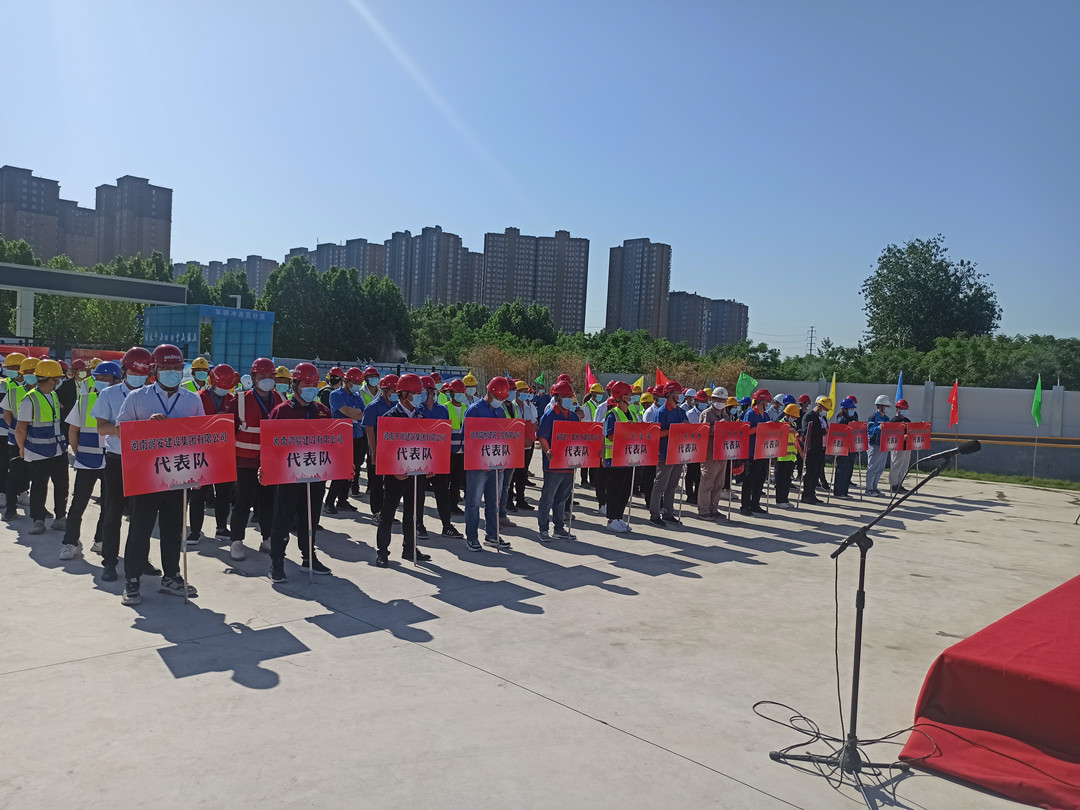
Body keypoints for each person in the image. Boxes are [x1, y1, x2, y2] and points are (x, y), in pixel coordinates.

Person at [115, 345, 203, 606]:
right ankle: (132, 580)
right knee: (140, 529)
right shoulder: (137, 398)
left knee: (173, 529)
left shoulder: (192, 400)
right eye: (166, 368)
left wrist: (200, 473)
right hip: (146, 476)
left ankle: (171, 576)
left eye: (177, 368)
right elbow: (120, 430)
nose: (172, 372)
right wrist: (145, 427)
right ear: (155, 369)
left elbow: (202, 435)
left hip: (178, 475)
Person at [91, 347, 155, 582]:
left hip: (145, 461)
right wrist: (125, 431)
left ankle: (140, 559)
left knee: (142, 515)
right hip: (117, 459)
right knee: (112, 514)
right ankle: (109, 561)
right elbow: (101, 427)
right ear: (124, 371)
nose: (138, 377)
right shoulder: (109, 394)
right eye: (134, 372)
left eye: (143, 373)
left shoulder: (154, 394)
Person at [266, 363, 333, 583]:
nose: (311, 388)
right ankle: (277, 561)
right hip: (288, 475)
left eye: (314, 384)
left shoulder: (323, 411)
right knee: (282, 519)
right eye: (306, 384)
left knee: (310, 518)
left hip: (316, 474)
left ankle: (308, 557)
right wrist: (266, 468)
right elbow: (270, 444)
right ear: (295, 385)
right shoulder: (281, 411)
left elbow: (332, 442)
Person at [373, 374, 434, 567]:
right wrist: (392, 470)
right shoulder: (390, 417)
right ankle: (382, 552)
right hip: (396, 476)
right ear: (404, 394)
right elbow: (384, 450)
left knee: (413, 513)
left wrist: (429, 465)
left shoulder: (421, 416)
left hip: (417, 474)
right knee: (387, 514)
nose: (419, 396)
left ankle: (410, 548)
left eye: (420, 393)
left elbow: (427, 445)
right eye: (415, 393)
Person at [60, 361, 120, 559]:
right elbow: (73, 431)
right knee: (78, 503)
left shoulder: (122, 401)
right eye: (98, 378)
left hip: (112, 461)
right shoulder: (85, 400)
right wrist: (78, 454)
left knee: (108, 505)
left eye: (106, 378)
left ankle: (101, 541)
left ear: (116, 380)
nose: (101, 381)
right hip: (87, 461)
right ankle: (70, 542)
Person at [16, 358, 69, 535]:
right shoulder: (29, 400)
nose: (59, 380)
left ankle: (60, 517)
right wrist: (22, 449)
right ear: (51, 379)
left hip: (58, 449)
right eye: (58, 377)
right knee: (39, 486)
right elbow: (21, 429)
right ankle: (38, 520)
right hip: (38, 451)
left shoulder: (53, 395)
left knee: (62, 484)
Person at [187, 363, 237, 551]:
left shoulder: (233, 400)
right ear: (212, 382)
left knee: (224, 494)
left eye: (227, 386)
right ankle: (195, 530)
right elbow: (190, 424)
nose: (224, 389)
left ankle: (222, 528)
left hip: (224, 454)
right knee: (198, 494)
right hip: (202, 454)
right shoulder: (197, 398)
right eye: (221, 385)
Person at [462, 376, 512, 552]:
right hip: (478, 467)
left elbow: (506, 437)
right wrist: (478, 460)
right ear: (490, 393)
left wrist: (505, 458)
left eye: (502, 399)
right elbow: (466, 439)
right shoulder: (474, 410)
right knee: (473, 502)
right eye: (498, 398)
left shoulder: (500, 412)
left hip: (496, 465)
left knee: (494, 503)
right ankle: (472, 537)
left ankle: (492, 535)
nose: (500, 401)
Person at [415, 374, 460, 539]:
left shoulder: (442, 410)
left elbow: (444, 436)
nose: (420, 394)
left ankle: (447, 525)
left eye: (423, 390)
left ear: (432, 391)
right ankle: (418, 524)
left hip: (438, 458)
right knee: (418, 494)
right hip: (420, 457)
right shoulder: (416, 410)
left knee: (442, 492)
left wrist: (437, 460)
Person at [536, 379, 578, 541]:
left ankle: (559, 528)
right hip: (553, 464)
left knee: (562, 499)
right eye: (566, 396)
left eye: (570, 396)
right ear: (558, 398)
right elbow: (542, 436)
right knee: (548, 498)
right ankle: (543, 529)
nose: (569, 399)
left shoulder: (573, 416)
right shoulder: (550, 416)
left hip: (569, 464)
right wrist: (548, 450)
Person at [325, 368, 366, 514]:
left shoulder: (356, 397)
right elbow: (348, 412)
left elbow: (362, 414)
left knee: (352, 470)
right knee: (341, 471)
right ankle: (329, 501)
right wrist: (354, 413)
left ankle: (342, 500)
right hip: (342, 438)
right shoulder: (336, 395)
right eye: (355, 382)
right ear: (347, 381)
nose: (357, 385)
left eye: (359, 383)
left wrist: (353, 413)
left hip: (357, 435)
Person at [361, 374, 399, 523]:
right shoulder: (374, 407)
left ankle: (387, 512)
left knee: (390, 484)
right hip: (378, 450)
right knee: (377, 483)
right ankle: (377, 511)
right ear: (385, 390)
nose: (396, 393)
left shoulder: (397, 406)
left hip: (393, 452)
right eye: (393, 390)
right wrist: (375, 452)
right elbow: (369, 430)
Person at [649, 381, 688, 526]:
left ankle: (668, 513)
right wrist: (674, 430)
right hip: (665, 454)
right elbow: (657, 433)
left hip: (678, 454)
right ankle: (654, 515)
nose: (680, 396)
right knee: (660, 486)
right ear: (671, 394)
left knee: (672, 486)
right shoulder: (661, 413)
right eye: (678, 393)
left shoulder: (681, 412)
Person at [602, 381, 635, 532]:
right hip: (615, 458)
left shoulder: (632, 413)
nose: (630, 397)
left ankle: (619, 517)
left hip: (628, 457)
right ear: (621, 396)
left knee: (625, 489)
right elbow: (610, 435)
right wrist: (626, 431)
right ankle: (611, 519)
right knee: (615, 490)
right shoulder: (612, 414)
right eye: (628, 394)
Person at [698, 388, 731, 519]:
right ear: (712, 399)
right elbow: (702, 432)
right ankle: (704, 510)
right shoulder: (707, 414)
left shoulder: (726, 415)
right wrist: (717, 426)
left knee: (719, 484)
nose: (721, 402)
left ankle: (714, 508)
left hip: (722, 452)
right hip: (709, 453)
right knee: (707, 482)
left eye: (723, 400)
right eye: (718, 399)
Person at [740, 389, 772, 517]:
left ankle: (755, 504)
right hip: (752, 452)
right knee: (749, 480)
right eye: (766, 402)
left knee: (760, 479)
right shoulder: (750, 414)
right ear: (761, 402)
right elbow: (745, 431)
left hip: (763, 451)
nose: (767, 404)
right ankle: (745, 506)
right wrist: (760, 427)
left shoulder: (766, 415)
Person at [511, 380, 537, 511]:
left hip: (527, 445)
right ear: (516, 392)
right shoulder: (513, 406)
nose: (526, 394)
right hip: (515, 446)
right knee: (512, 475)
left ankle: (521, 499)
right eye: (522, 391)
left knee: (522, 474)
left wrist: (531, 439)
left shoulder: (527, 407)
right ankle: (509, 500)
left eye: (526, 391)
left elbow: (531, 424)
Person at [801, 396, 830, 505]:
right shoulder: (809, 416)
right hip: (812, 449)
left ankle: (812, 494)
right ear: (820, 406)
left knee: (817, 473)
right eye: (825, 409)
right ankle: (806, 495)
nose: (826, 412)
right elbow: (807, 431)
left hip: (821, 448)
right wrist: (823, 431)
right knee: (811, 473)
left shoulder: (823, 418)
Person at [775, 403, 804, 508]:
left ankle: (785, 499)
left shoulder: (794, 425)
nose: (795, 418)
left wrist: (801, 453)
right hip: (782, 457)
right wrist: (787, 430)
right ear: (787, 414)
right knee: (781, 480)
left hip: (791, 456)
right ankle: (780, 500)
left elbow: (795, 441)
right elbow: (778, 434)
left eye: (796, 417)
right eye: (793, 416)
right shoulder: (781, 423)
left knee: (787, 480)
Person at [446, 379, 468, 510]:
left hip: (463, 451)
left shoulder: (467, 408)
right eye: (457, 392)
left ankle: (454, 504)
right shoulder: (445, 408)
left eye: (462, 392)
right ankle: (446, 504)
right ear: (451, 393)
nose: (460, 395)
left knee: (457, 480)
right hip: (449, 451)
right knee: (446, 480)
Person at [684, 389, 709, 505]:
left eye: (705, 401)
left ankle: (697, 495)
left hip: (703, 447)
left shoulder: (708, 414)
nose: (703, 403)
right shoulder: (689, 414)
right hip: (692, 447)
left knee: (700, 474)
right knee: (691, 472)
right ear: (696, 402)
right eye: (701, 401)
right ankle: (689, 495)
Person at [865, 395, 892, 496]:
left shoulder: (887, 418)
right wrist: (879, 427)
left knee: (880, 468)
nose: (887, 408)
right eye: (886, 406)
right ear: (880, 406)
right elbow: (869, 431)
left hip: (884, 445)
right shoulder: (873, 417)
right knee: (872, 467)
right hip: (874, 444)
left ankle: (874, 488)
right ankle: (869, 489)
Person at [833, 397, 858, 499]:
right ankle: (839, 492)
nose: (852, 410)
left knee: (848, 471)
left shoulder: (852, 417)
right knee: (842, 471)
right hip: (843, 448)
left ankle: (844, 491)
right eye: (850, 409)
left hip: (851, 448)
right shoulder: (841, 419)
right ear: (844, 409)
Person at [889, 398, 912, 493]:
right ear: (898, 409)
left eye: (906, 409)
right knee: (896, 465)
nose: (905, 410)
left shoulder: (907, 420)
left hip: (907, 446)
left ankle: (900, 484)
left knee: (904, 467)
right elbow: (891, 434)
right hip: (897, 446)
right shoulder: (894, 420)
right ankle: (893, 484)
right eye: (903, 409)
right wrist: (902, 437)